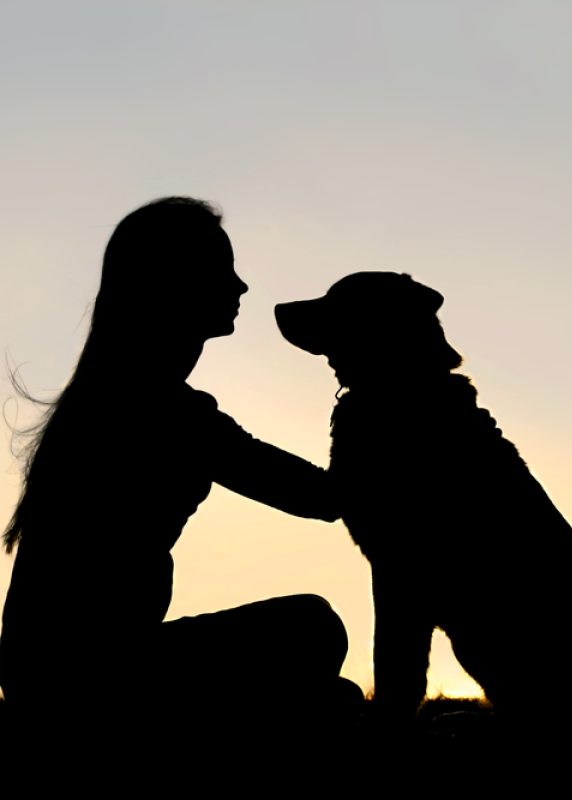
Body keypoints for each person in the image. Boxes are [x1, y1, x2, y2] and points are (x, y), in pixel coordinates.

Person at [0, 197, 358, 768]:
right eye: (223, 269)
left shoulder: (113, 399)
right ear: (174, 283)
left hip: (49, 683)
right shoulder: (164, 412)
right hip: (89, 684)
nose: (242, 286)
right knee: (312, 626)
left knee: (325, 695)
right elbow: (322, 497)